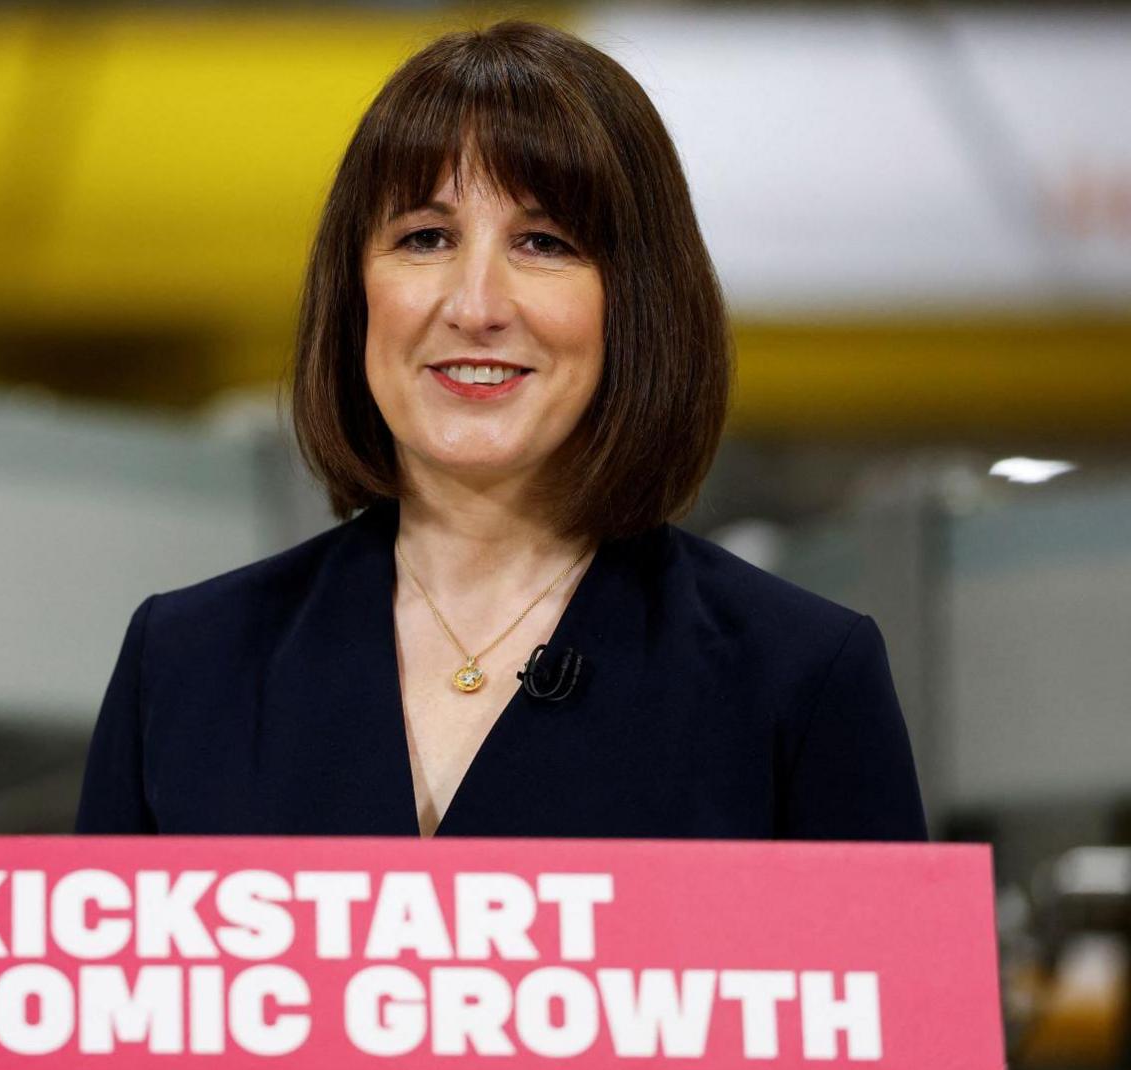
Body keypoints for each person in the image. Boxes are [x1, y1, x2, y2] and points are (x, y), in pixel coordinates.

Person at [74, 21, 926, 841]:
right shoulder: (184, 665)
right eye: (426, 237)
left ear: (637, 304)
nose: (475, 305)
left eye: (545, 242)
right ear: (356, 291)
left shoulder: (800, 679)